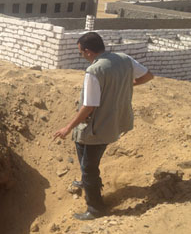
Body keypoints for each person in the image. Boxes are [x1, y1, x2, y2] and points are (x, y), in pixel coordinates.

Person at [53, 32, 154, 221]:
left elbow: (89, 106)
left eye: (81, 53)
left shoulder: (94, 71)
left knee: (89, 166)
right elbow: (148, 76)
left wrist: (68, 127)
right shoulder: (124, 59)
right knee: (84, 154)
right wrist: (127, 84)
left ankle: (95, 209)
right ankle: (86, 181)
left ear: (89, 52)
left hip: (97, 126)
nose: (81, 56)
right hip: (115, 121)